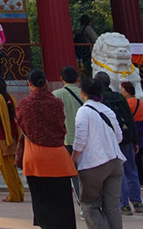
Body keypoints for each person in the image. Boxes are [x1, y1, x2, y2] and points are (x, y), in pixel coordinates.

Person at [17, 69, 78, 229]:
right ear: (46, 82)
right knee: (63, 202)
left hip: (35, 157)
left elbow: (21, 124)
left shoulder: (25, 104)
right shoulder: (57, 103)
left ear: (29, 84)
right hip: (58, 155)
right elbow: (61, 126)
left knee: (42, 202)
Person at [74, 75, 125, 229]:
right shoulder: (107, 110)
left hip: (93, 164)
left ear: (83, 92)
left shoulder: (83, 111)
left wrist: (73, 159)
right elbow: (119, 137)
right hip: (115, 161)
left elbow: (80, 141)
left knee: (90, 204)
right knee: (112, 206)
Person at [96, 72, 143, 215]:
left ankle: (124, 204)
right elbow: (129, 119)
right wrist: (135, 140)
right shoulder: (120, 97)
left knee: (118, 173)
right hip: (127, 137)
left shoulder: (99, 100)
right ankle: (137, 201)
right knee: (131, 171)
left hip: (111, 140)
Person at [0, 78, 24, 203]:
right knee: (12, 168)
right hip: (12, 136)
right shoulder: (9, 98)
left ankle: (14, 195)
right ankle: (19, 193)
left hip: (3, 137)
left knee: (6, 167)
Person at [54, 65, 86, 200]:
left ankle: (83, 204)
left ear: (61, 78)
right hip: (85, 139)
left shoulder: (56, 95)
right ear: (77, 78)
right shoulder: (84, 94)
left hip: (67, 139)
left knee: (74, 174)